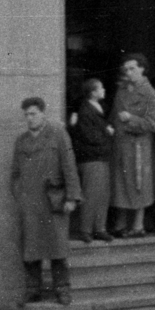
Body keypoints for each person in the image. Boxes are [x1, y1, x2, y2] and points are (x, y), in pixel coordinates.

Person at [11, 97, 82, 307]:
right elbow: (14, 173)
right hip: (30, 204)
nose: (29, 118)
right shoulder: (21, 141)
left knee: (57, 248)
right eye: (26, 115)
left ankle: (63, 289)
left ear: (43, 113)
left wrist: (72, 196)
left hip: (53, 201)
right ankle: (33, 290)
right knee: (30, 249)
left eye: (33, 113)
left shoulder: (58, 135)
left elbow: (69, 166)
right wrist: (20, 194)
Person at [111, 54, 155, 238]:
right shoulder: (121, 91)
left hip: (138, 146)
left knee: (138, 185)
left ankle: (138, 226)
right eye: (126, 69)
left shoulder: (150, 93)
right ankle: (121, 224)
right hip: (120, 144)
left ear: (142, 69)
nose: (129, 73)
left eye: (132, 68)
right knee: (120, 186)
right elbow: (114, 116)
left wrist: (131, 119)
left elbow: (153, 123)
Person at [70, 78, 115, 243]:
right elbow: (90, 136)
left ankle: (99, 228)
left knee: (102, 195)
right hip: (91, 158)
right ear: (93, 92)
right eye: (100, 88)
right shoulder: (86, 111)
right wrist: (107, 131)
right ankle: (86, 230)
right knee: (91, 194)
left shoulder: (97, 108)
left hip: (99, 157)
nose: (103, 91)